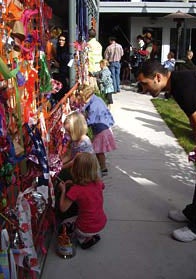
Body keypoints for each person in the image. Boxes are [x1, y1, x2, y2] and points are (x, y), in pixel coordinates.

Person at [136, 60, 196, 242]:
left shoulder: (182, 85)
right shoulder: (177, 83)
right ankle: (192, 213)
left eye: (145, 84)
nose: (144, 89)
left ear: (158, 77)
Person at [58, 152, 107, 249]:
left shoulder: (76, 190)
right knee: (87, 215)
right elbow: (89, 190)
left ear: (75, 169)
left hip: (85, 228)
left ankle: (84, 239)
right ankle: (92, 235)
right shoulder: (99, 183)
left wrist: (63, 191)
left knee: (63, 224)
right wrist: (73, 183)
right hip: (101, 223)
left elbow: (63, 208)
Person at [79, 84, 117, 175]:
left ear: (86, 96)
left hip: (101, 130)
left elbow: (90, 120)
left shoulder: (94, 106)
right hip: (104, 128)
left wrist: (82, 125)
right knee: (98, 150)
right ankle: (101, 167)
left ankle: (102, 168)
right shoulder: (97, 100)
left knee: (98, 151)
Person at [52, 32, 70, 102]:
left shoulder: (68, 52)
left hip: (64, 76)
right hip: (58, 75)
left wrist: (59, 65)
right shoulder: (59, 49)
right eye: (60, 40)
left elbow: (67, 65)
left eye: (63, 40)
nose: (60, 41)